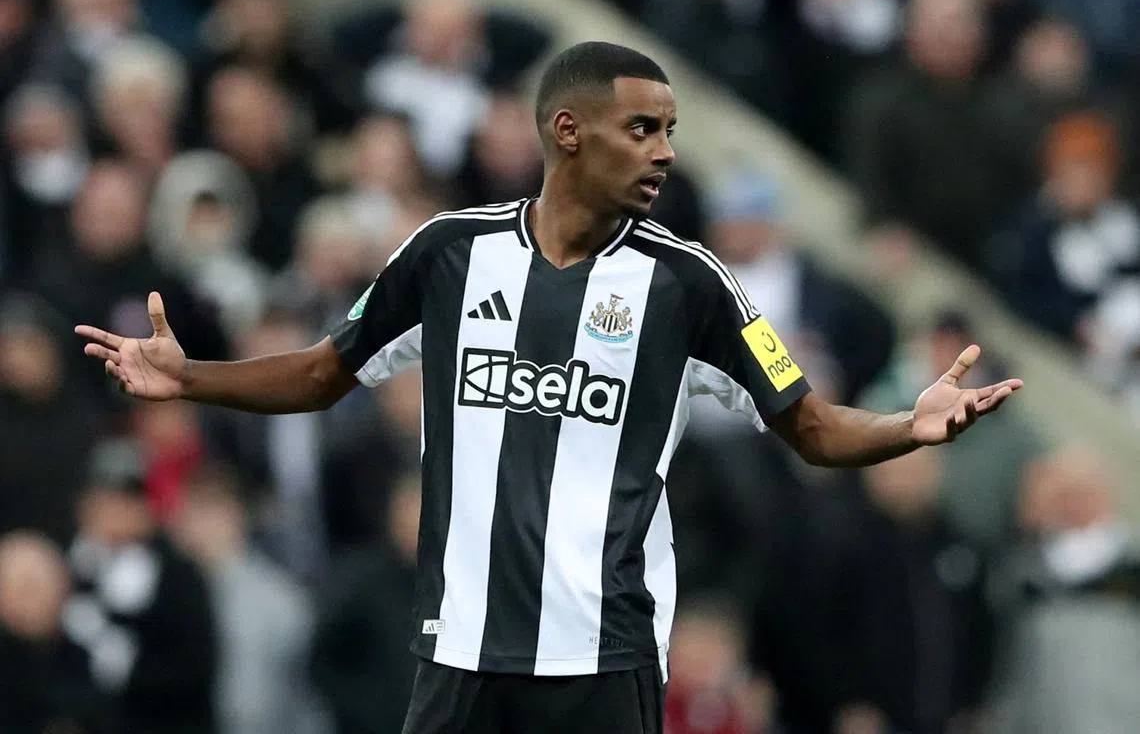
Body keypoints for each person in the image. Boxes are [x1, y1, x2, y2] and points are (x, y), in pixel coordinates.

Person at [76, 41, 1022, 734]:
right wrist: (190, 376)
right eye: (641, 128)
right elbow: (327, 370)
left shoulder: (689, 285)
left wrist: (908, 425)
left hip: (604, 660)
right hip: (460, 652)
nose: (663, 152)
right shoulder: (449, 254)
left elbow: (810, 425)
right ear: (568, 131)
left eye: (671, 133)